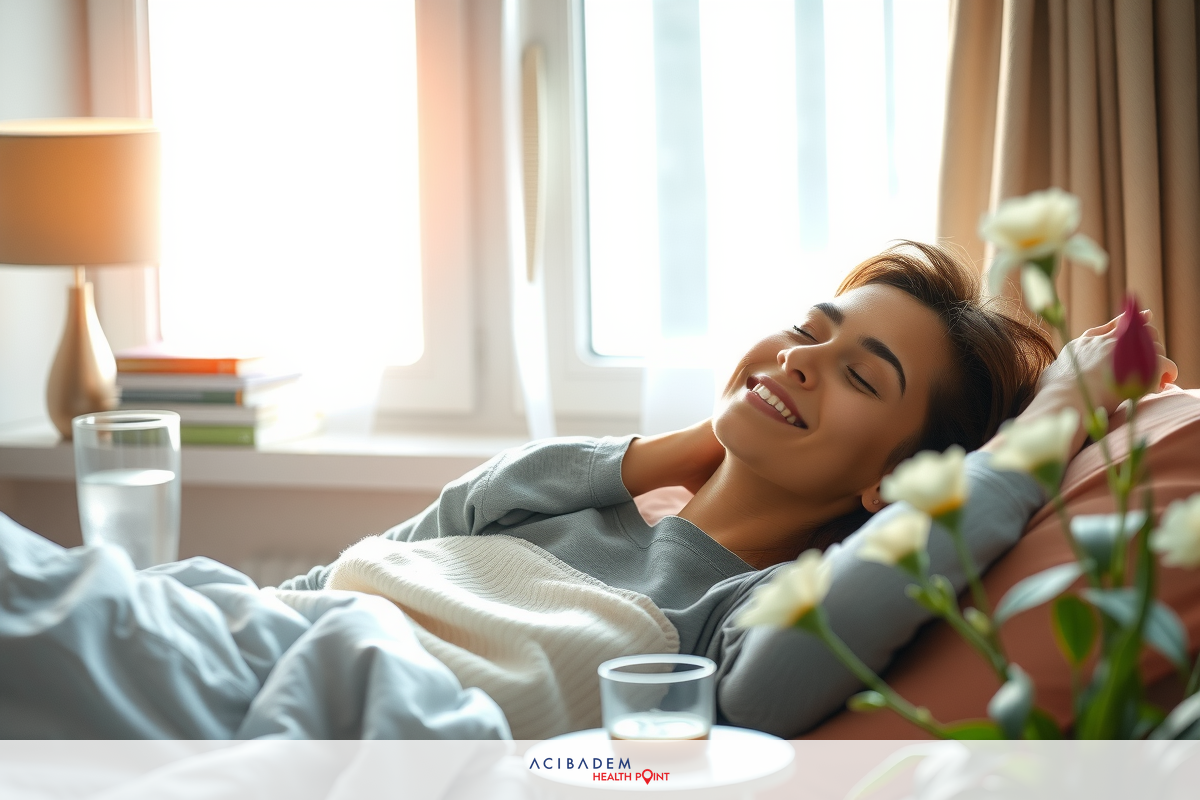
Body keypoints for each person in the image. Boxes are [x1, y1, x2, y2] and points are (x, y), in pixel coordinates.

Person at [280, 241, 1178, 736]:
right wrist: (679, 450)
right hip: (253, 635)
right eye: (804, 331)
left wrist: (1054, 418)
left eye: (863, 378)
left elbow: (785, 676)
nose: (799, 360)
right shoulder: (559, 502)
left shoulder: (740, 610)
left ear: (896, 482)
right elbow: (377, 560)